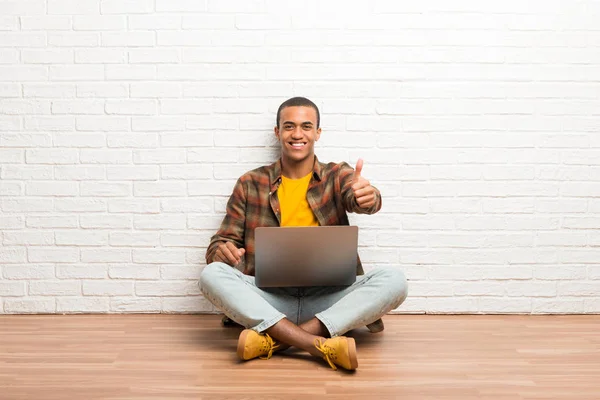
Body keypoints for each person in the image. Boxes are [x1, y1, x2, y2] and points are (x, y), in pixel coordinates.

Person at [200, 97, 408, 371]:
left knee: (395, 280)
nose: (297, 134)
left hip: (327, 298)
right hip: (271, 298)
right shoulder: (250, 183)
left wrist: (367, 198)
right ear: (277, 132)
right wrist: (221, 251)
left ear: (317, 133)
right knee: (211, 275)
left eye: (306, 126)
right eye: (289, 126)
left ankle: (276, 340)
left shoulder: (337, 175)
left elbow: (360, 197)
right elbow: (218, 244)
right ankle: (317, 344)